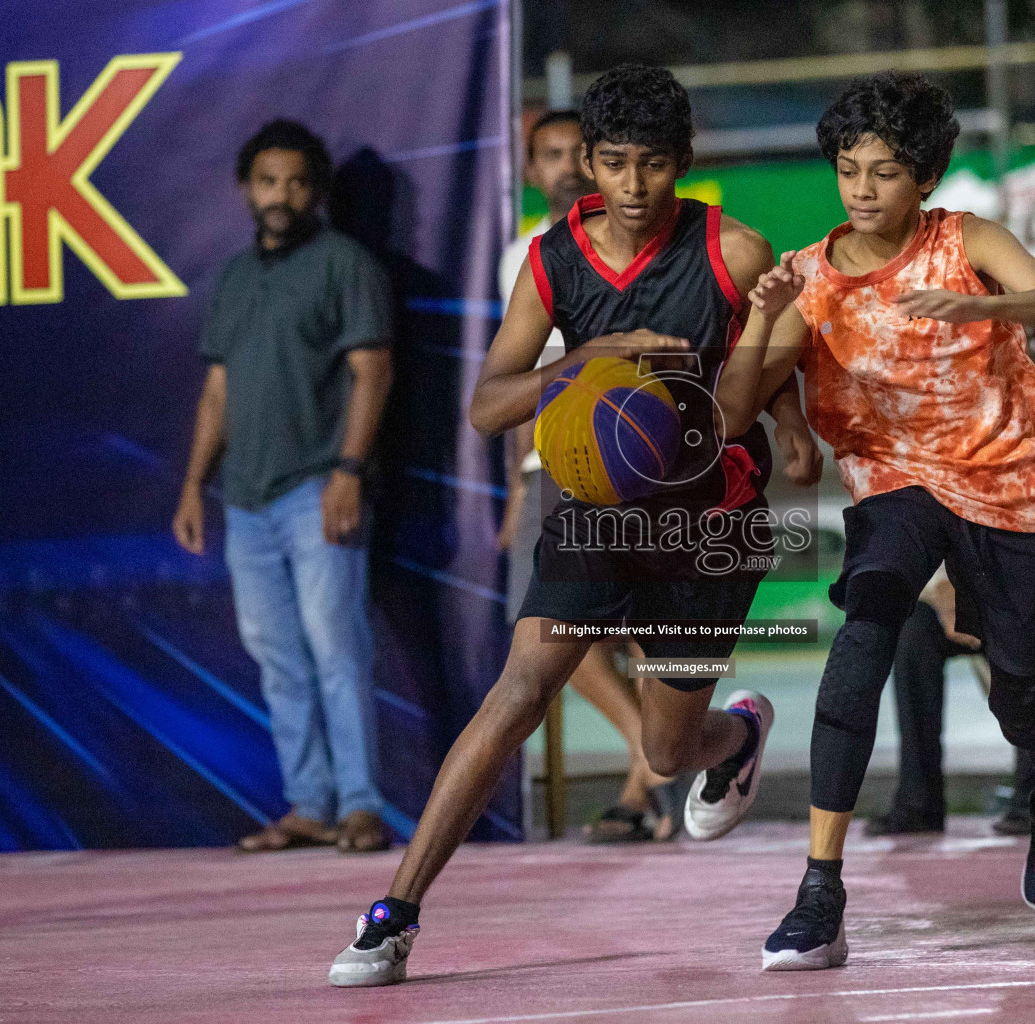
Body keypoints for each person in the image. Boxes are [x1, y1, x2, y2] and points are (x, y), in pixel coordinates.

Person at [328, 65, 818, 987]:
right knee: (518, 693)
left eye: (655, 166)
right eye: (617, 164)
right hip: (594, 509)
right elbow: (485, 405)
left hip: (705, 525)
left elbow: (778, 357)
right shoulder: (553, 263)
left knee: (668, 753)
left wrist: (789, 423)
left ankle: (735, 737)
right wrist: (578, 361)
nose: (634, 188)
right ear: (588, 160)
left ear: (685, 164)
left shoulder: (735, 252)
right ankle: (393, 913)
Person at [714, 70, 1035, 972]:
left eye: (884, 171)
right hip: (895, 481)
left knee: (1020, 690)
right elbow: (733, 414)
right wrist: (760, 323)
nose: (861, 189)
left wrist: (985, 305)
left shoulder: (969, 240)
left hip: (1008, 478)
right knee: (865, 633)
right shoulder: (805, 278)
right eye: (848, 169)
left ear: (923, 177)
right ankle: (819, 889)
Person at [173, 120, 394, 855]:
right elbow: (216, 393)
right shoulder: (235, 277)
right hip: (245, 498)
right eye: (269, 181)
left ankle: (361, 806)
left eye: (298, 182)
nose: (282, 195)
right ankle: (307, 805)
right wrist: (192, 487)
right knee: (275, 654)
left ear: (316, 191)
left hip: (317, 489)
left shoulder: (345, 263)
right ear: (246, 188)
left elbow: (373, 372)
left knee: (337, 645)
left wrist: (348, 473)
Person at [497, 109, 681, 842]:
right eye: (552, 154)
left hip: (648, 458)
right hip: (556, 460)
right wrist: (519, 478)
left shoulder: (655, 241)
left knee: (649, 633)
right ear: (530, 169)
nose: (568, 165)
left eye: (584, 152)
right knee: (555, 640)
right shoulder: (525, 250)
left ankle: (644, 788)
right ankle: (652, 761)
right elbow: (515, 374)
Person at [870, 332, 1035, 839]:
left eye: (1025, 342)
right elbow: (935, 523)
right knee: (914, 630)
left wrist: (996, 572)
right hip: (984, 587)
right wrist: (943, 587)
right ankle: (918, 801)